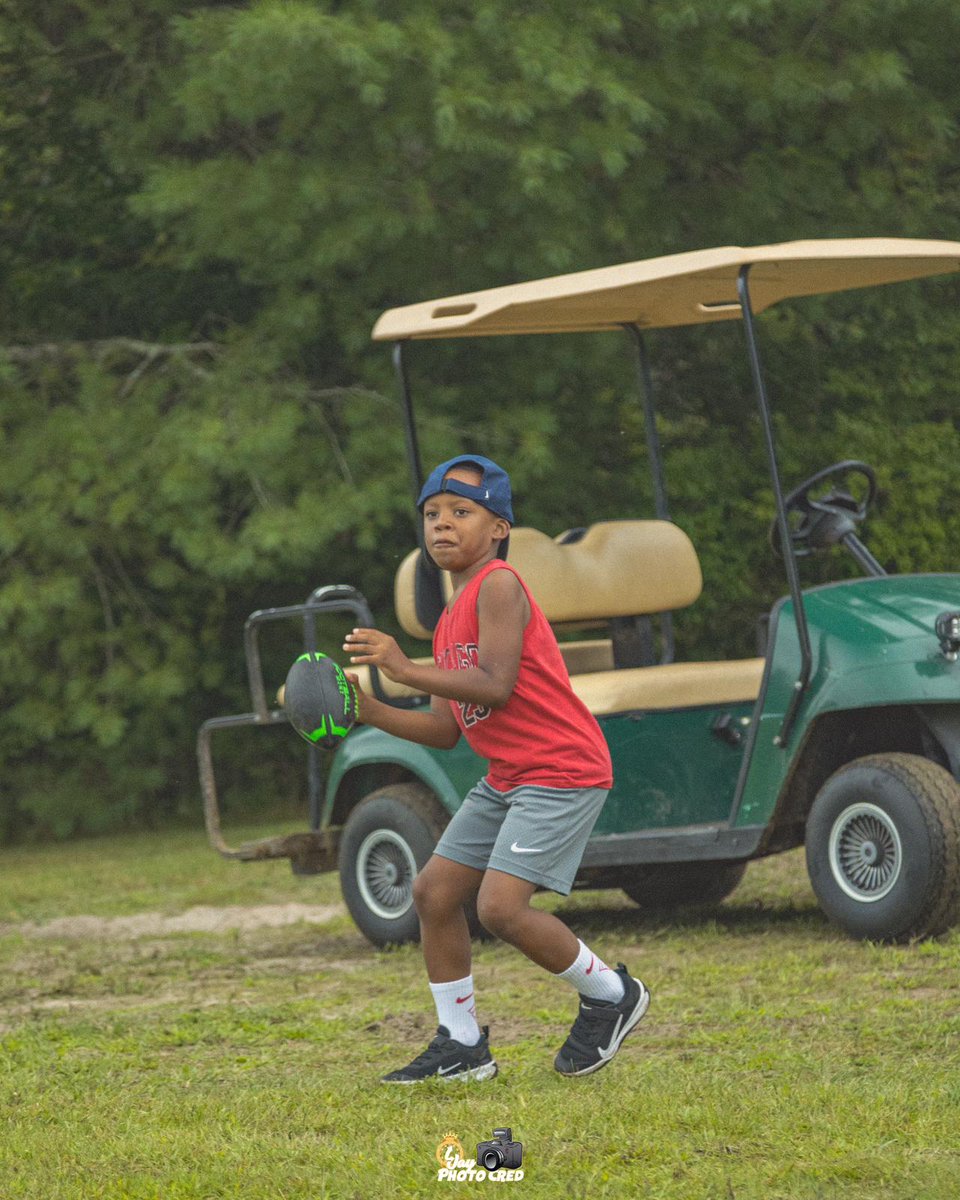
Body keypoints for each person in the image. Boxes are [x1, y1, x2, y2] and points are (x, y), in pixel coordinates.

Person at [343, 454, 650, 1082]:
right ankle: (461, 1045)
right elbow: (444, 730)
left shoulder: (500, 586)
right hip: (509, 775)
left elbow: (496, 685)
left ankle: (613, 996)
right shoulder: (447, 618)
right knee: (431, 893)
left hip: (561, 768)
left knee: (501, 909)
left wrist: (401, 668)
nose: (442, 525)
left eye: (461, 512)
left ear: (499, 529)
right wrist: (370, 708)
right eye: (432, 514)